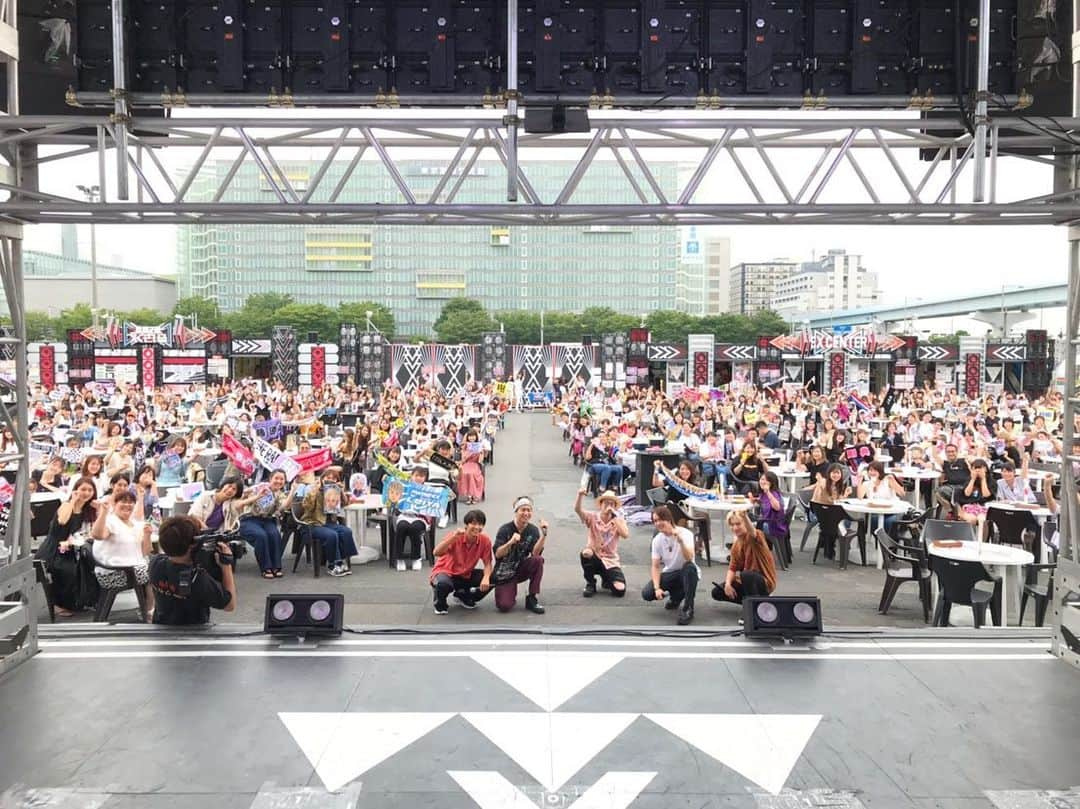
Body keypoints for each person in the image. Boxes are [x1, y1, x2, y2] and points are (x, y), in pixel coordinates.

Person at [148, 515, 236, 625]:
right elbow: (229, 605)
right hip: (193, 635)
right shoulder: (197, 579)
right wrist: (226, 565)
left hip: (161, 626)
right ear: (193, 545)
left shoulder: (155, 563)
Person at [33, 476, 99, 616]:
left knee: (85, 566)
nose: (86, 493)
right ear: (76, 490)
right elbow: (62, 521)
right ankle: (57, 604)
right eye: (83, 489)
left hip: (68, 548)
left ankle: (83, 600)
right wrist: (73, 501)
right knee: (67, 570)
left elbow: (89, 532)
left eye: (90, 490)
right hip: (52, 549)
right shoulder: (66, 505)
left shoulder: (87, 510)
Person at [89, 489, 154, 617]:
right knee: (157, 573)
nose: (127, 505)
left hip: (131, 569)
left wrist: (147, 535)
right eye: (123, 502)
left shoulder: (136, 524)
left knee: (157, 565)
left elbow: (145, 552)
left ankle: (149, 609)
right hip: (114, 573)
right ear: (115, 504)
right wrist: (103, 513)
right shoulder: (110, 521)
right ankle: (150, 611)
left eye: (131, 502)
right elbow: (97, 535)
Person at [642, 505, 698, 625]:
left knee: (689, 568)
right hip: (671, 573)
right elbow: (655, 566)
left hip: (687, 572)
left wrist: (681, 541)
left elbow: (689, 558)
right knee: (647, 593)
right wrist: (657, 588)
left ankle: (688, 608)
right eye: (655, 521)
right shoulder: (657, 540)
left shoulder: (686, 533)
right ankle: (676, 597)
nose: (657, 523)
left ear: (668, 519)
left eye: (660, 520)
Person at [238, 470, 300, 578]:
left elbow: (284, 506)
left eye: (282, 479)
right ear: (270, 479)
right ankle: (265, 567)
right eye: (276, 478)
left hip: (267, 520)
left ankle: (276, 566)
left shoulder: (279, 494)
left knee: (274, 534)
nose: (279, 481)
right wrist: (252, 494)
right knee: (261, 535)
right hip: (249, 519)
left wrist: (292, 491)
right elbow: (243, 495)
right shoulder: (260, 487)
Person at [429, 509, 493, 614]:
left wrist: (486, 578)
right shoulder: (455, 536)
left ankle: (463, 595)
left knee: (493, 577)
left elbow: (487, 563)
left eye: (480, 524)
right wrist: (453, 538)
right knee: (443, 584)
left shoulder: (485, 541)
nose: (477, 527)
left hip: (465, 574)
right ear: (466, 525)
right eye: (473, 524)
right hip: (446, 572)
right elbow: (436, 552)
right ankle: (440, 603)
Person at [492, 496, 548, 613]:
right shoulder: (505, 529)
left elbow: (535, 553)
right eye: (523, 510)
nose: (526, 513)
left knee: (538, 560)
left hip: (520, 568)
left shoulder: (532, 530)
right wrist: (510, 542)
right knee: (504, 606)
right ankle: (508, 590)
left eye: (529, 510)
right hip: (504, 573)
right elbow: (498, 554)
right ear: (516, 512)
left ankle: (532, 598)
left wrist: (544, 535)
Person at [711, 510, 777, 607]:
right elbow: (732, 568)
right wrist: (728, 585)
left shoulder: (756, 536)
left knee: (746, 575)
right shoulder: (736, 545)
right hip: (747, 582)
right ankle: (758, 602)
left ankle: (752, 609)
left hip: (764, 581)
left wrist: (745, 517)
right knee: (717, 592)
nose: (735, 528)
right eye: (732, 525)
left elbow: (753, 532)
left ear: (745, 524)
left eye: (738, 524)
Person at [574, 488, 629, 598]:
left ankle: (607, 579)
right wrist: (580, 495)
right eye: (606, 503)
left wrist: (615, 518)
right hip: (595, 555)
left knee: (619, 591)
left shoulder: (618, 520)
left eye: (611, 504)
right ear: (601, 504)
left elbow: (625, 535)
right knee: (586, 553)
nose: (608, 506)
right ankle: (591, 583)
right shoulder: (593, 517)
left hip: (611, 560)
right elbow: (578, 510)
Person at [301, 477, 358, 576]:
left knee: (346, 532)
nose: (330, 479)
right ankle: (333, 564)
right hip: (314, 524)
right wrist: (314, 490)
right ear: (323, 478)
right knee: (332, 535)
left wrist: (341, 491)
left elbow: (344, 504)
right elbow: (306, 506)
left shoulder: (333, 491)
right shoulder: (314, 490)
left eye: (333, 477)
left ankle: (341, 561)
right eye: (328, 477)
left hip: (329, 523)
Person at [391, 466, 434, 571]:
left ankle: (416, 558)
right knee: (402, 527)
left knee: (415, 528)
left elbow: (432, 507)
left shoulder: (428, 491)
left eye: (422, 476)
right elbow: (394, 501)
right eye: (417, 475)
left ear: (425, 478)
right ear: (412, 476)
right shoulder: (404, 487)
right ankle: (399, 558)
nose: (419, 478)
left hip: (420, 518)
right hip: (404, 516)